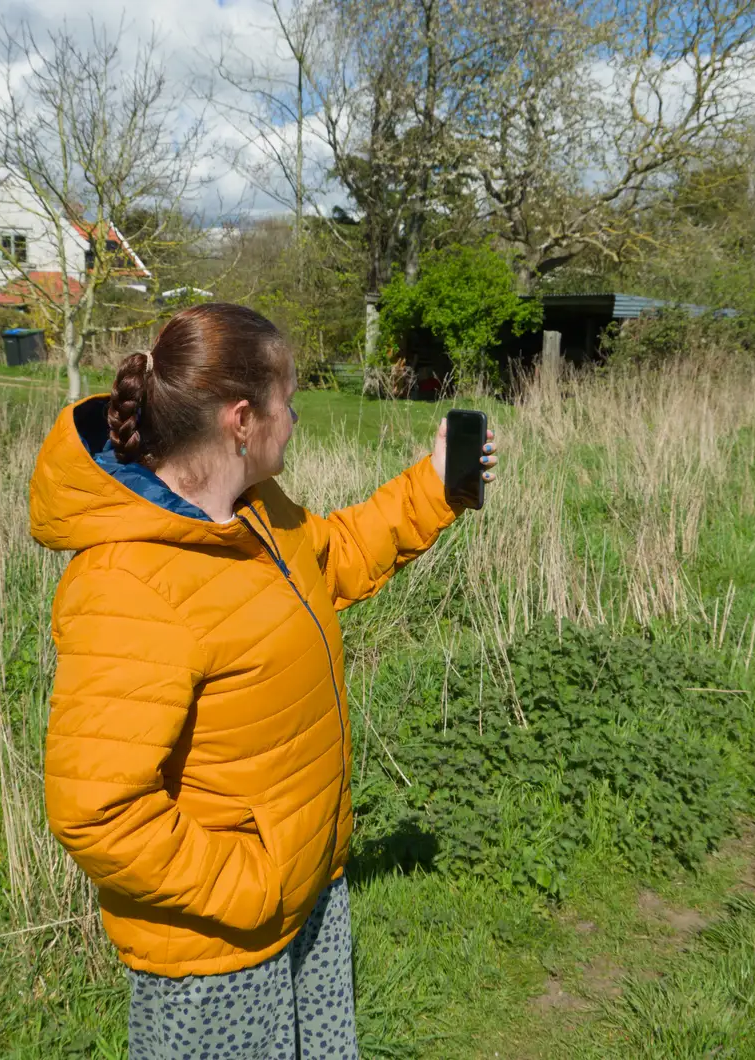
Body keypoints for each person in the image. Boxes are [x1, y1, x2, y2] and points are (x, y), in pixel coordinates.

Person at [27, 303, 499, 1058]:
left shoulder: (252, 514)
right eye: (289, 400)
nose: (297, 417)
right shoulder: (129, 585)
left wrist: (434, 486)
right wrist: (251, 887)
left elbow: (334, 554)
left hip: (305, 896)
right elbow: (97, 810)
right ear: (241, 419)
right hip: (219, 950)